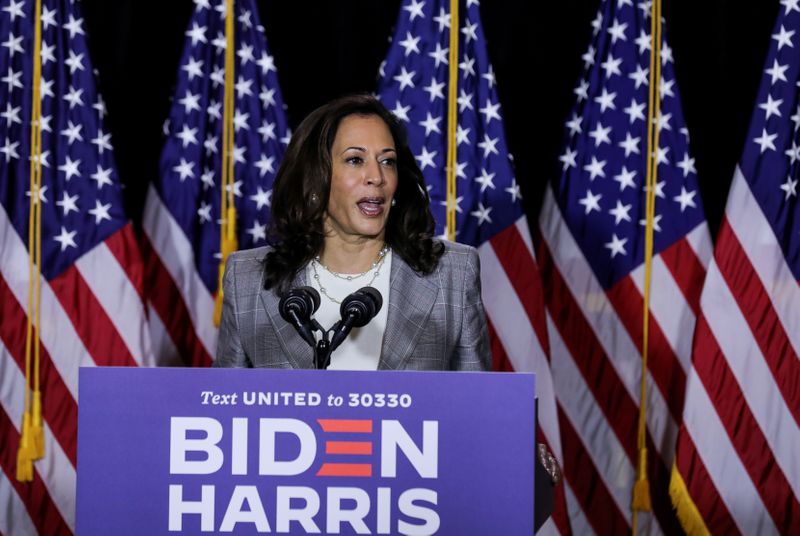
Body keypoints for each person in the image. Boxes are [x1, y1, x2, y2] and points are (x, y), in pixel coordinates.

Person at [214, 94, 490, 371]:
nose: (377, 177)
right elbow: (225, 403)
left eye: (387, 161)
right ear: (314, 178)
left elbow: (478, 403)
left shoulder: (452, 273)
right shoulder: (247, 278)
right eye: (355, 160)